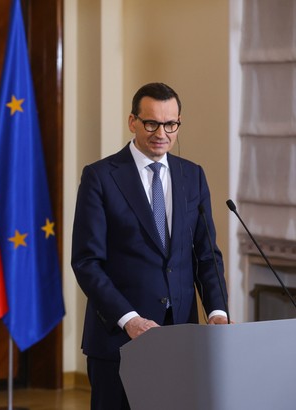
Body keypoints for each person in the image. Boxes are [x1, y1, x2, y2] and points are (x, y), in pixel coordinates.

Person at [71, 82, 229, 410]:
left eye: (171, 124)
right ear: (133, 122)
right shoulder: (100, 177)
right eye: (151, 123)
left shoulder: (193, 176)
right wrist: (129, 318)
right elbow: (87, 262)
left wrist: (217, 311)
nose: (162, 133)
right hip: (120, 340)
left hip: (181, 338)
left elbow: (206, 254)